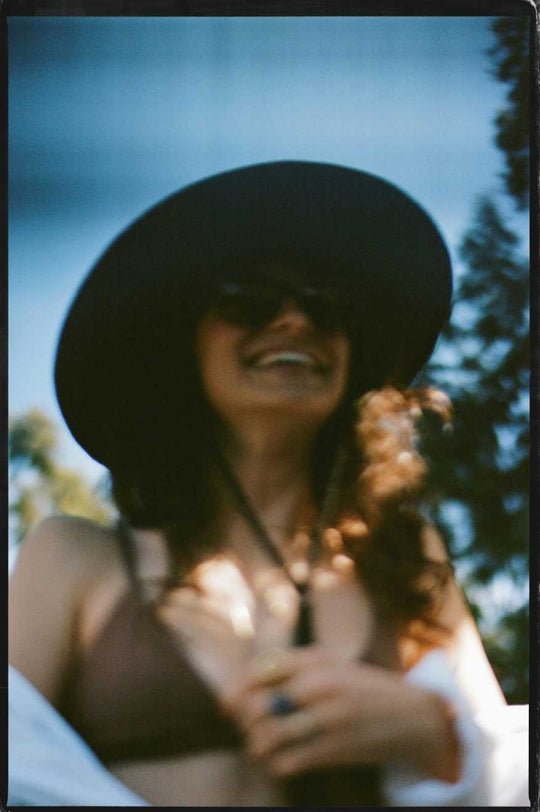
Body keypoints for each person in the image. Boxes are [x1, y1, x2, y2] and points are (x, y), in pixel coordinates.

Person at [9, 161, 525, 807]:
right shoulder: (71, 557)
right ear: (180, 342)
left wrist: (438, 734)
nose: (294, 320)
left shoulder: (405, 557)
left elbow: (509, 782)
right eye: (250, 299)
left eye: (326, 304)